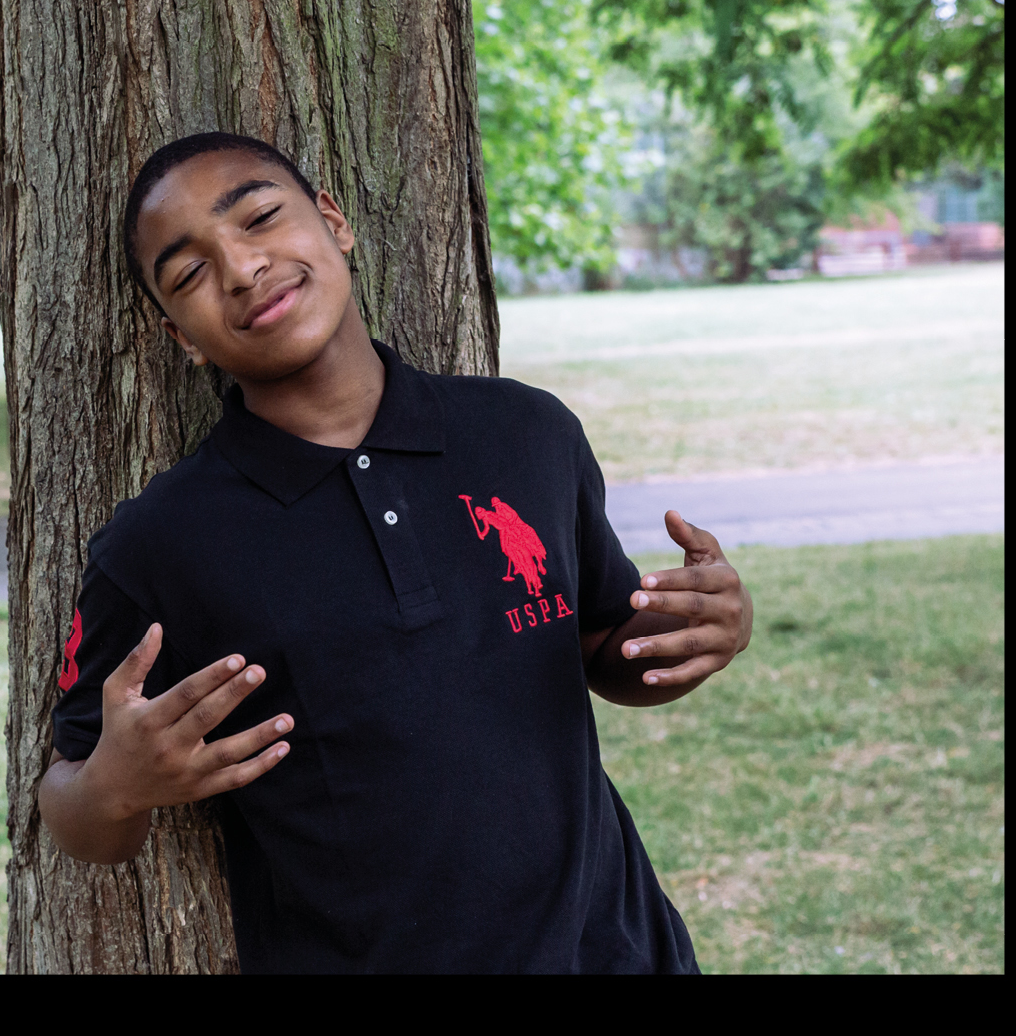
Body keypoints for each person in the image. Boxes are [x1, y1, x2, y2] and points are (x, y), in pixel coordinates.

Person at [39, 132, 752, 973]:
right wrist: (119, 784)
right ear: (180, 335)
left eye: (262, 216)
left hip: (618, 951)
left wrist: (698, 633)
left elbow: (605, 647)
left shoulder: (525, 434)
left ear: (333, 221)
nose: (240, 268)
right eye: (189, 273)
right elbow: (72, 805)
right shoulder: (159, 543)